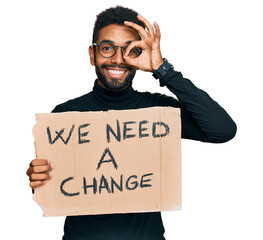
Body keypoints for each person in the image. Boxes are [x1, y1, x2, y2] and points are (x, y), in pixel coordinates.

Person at [26, 6, 237, 240]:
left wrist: (162, 69)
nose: (117, 59)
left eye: (128, 50)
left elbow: (222, 130)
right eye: (107, 48)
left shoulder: (158, 112)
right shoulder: (65, 116)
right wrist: (38, 178)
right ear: (91, 54)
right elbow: (52, 188)